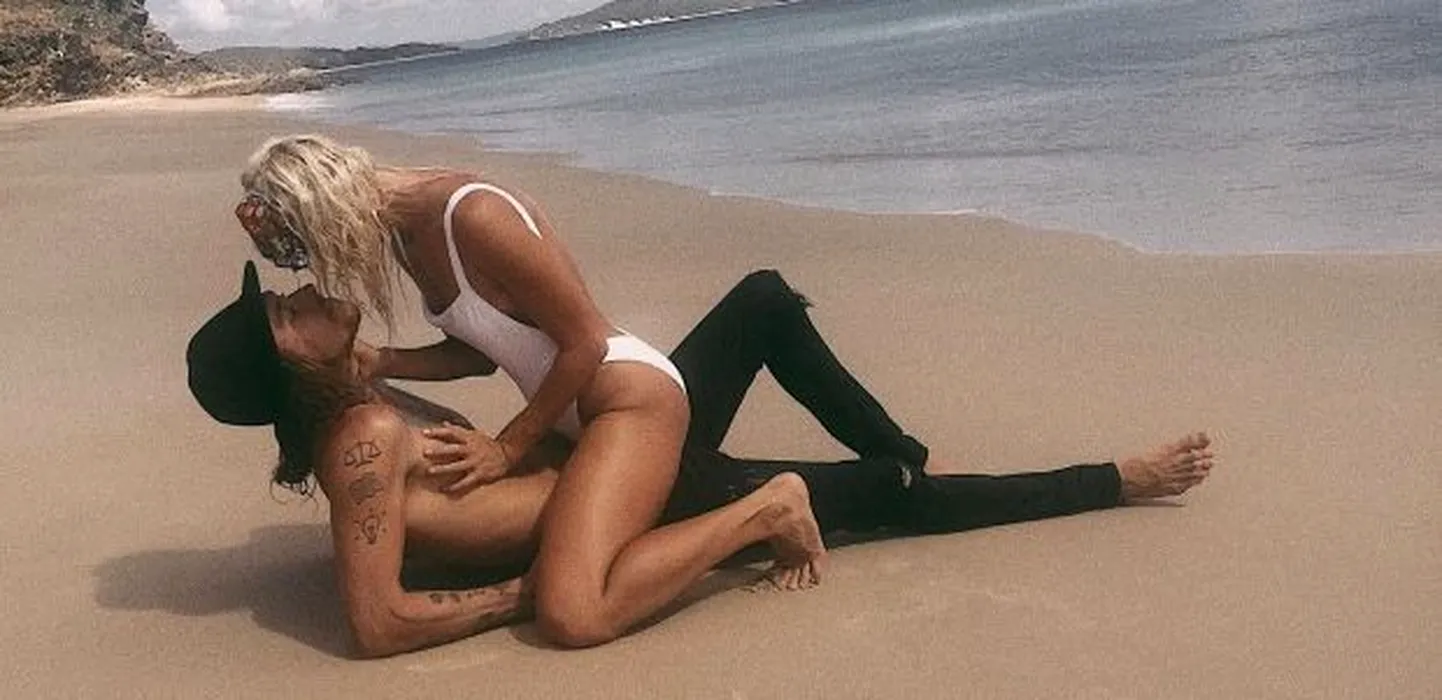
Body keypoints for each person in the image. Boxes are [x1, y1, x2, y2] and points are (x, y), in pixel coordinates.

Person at [186, 263, 1215, 657]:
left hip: (623, 445)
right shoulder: (362, 444)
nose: (300, 290)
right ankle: (1108, 479)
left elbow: (470, 364)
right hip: (651, 496)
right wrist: (522, 591)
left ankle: (897, 446)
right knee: (893, 498)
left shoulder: (366, 393)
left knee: (761, 303)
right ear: (289, 365)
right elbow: (376, 622)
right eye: (282, 309)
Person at [234, 134, 822, 647]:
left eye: (309, 248)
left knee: (574, 612)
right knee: (689, 497)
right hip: (567, 415)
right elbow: (479, 352)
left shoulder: (470, 214)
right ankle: (774, 342)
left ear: (325, 209)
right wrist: (386, 361)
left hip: (624, 398)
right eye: (289, 305)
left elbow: (585, 343)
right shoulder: (408, 235)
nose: (312, 279)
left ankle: (771, 508)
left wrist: (508, 448)